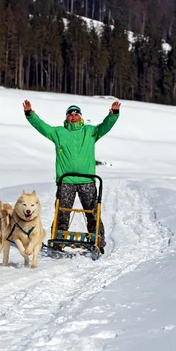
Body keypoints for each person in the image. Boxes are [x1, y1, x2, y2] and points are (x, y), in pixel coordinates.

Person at [22, 99, 120, 253]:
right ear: (66, 117)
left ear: (80, 117)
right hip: (66, 180)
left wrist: (113, 114)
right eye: (70, 114)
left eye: (76, 114)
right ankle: (58, 241)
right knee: (62, 212)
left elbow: (105, 126)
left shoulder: (90, 131)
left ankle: (98, 240)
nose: (73, 117)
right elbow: (42, 127)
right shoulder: (58, 133)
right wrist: (30, 114)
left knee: (93, 212)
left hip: (86, 180)